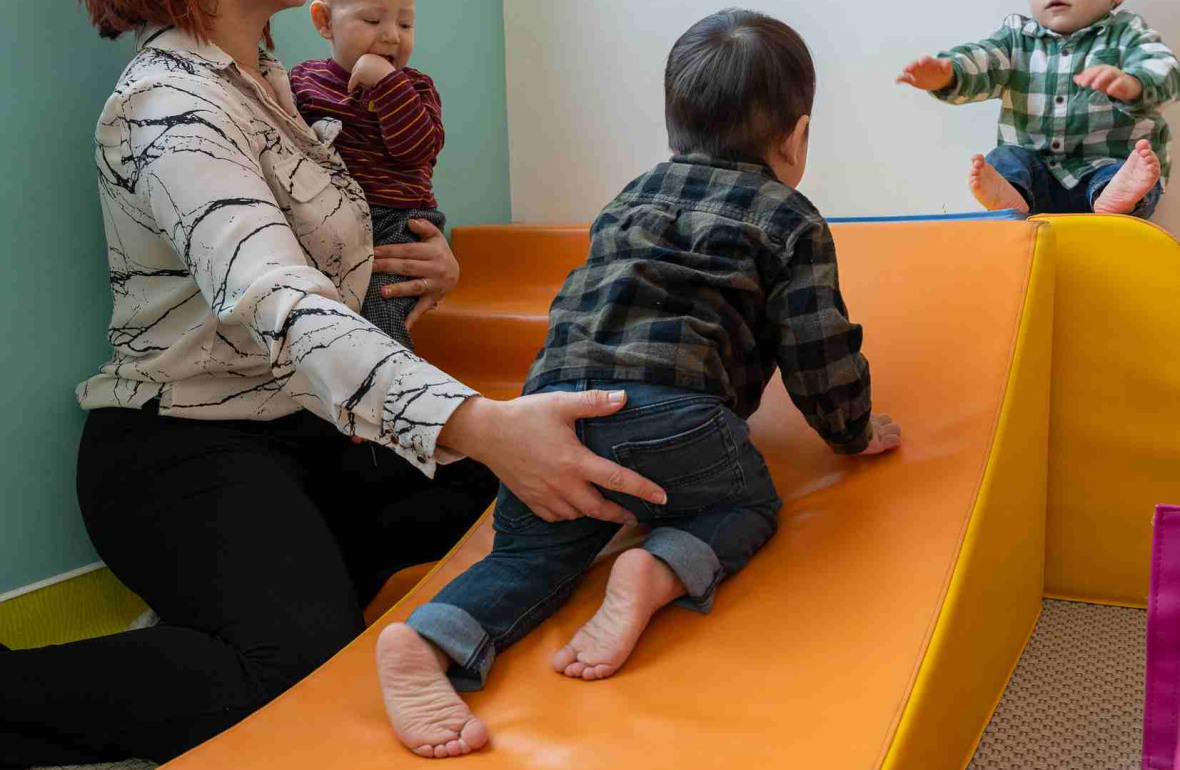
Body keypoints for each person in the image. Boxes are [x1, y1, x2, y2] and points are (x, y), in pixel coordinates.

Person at [0, 1, 665, 767]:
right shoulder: (167, 101)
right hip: (181, 443)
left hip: (310, 429)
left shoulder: (271, 85)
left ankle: (248, 606)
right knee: (295, 673)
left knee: (555, 482)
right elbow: (276, 298)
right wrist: (479, 422)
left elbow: (321, 256)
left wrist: (430, 266)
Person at [373, 9, 902, 760]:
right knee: (747, 504)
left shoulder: (628, 197)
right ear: (796, 137)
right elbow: (816, 347)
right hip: (675, 417)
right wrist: (854, 430)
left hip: (545, 419)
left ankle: (429, 641)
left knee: (528, 556)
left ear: (674, 130)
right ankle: (655, 569)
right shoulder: (791, 218)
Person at [898, 0, 1179, 218]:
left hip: (1104, 169)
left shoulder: (1128, 34)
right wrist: (950, 74)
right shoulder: (1015, 38)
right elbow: (982, 61)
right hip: (1034, 179)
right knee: (1004, 158)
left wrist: (1135, 84)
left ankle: (1118, 201)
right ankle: (1010, 197)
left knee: (1134, 169)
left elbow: (1166, 73)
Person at [290, 0, 443, 351]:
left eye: (405, 25)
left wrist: (388, 84)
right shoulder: (302, 81)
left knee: (377, 305)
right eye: (373, 20)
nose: (392, 36)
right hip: (325, 220)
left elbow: (416, 151)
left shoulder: (416, 88)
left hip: (395, 221)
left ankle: (393, 378)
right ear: (325, 21)